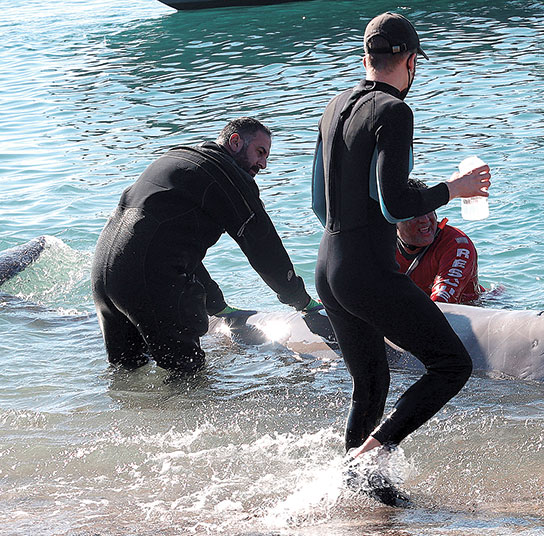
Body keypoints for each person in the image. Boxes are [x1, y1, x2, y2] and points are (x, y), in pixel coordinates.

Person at [311, 13, 490, 467]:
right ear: (410, 61)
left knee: (371, 382)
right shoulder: (395, 111)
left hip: (328, 268)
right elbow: (393, 205)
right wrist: (456, 189)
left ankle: (359, 485)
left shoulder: (334, 106)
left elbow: (319, 202)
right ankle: (367, 459)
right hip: (367, 269)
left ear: (366, 57)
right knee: (452, 366)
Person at [92, 117, 321, 375]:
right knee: (189, 377)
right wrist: (300, 300)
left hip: (104, 275)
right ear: (235, 142)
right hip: (148, 278)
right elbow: (264, 248)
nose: (263, 164)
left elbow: (164, 243)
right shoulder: (227, 176)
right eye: (260, 152)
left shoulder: (181, 159)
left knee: (128, 373)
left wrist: (216, 304)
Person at [395, 179, 483, 304]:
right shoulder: (380, 244)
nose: (425, 220)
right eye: (415, 214)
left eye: (428, 209)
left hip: (472, 310)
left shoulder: (457, 244)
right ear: (394, 220)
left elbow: (442, 302)